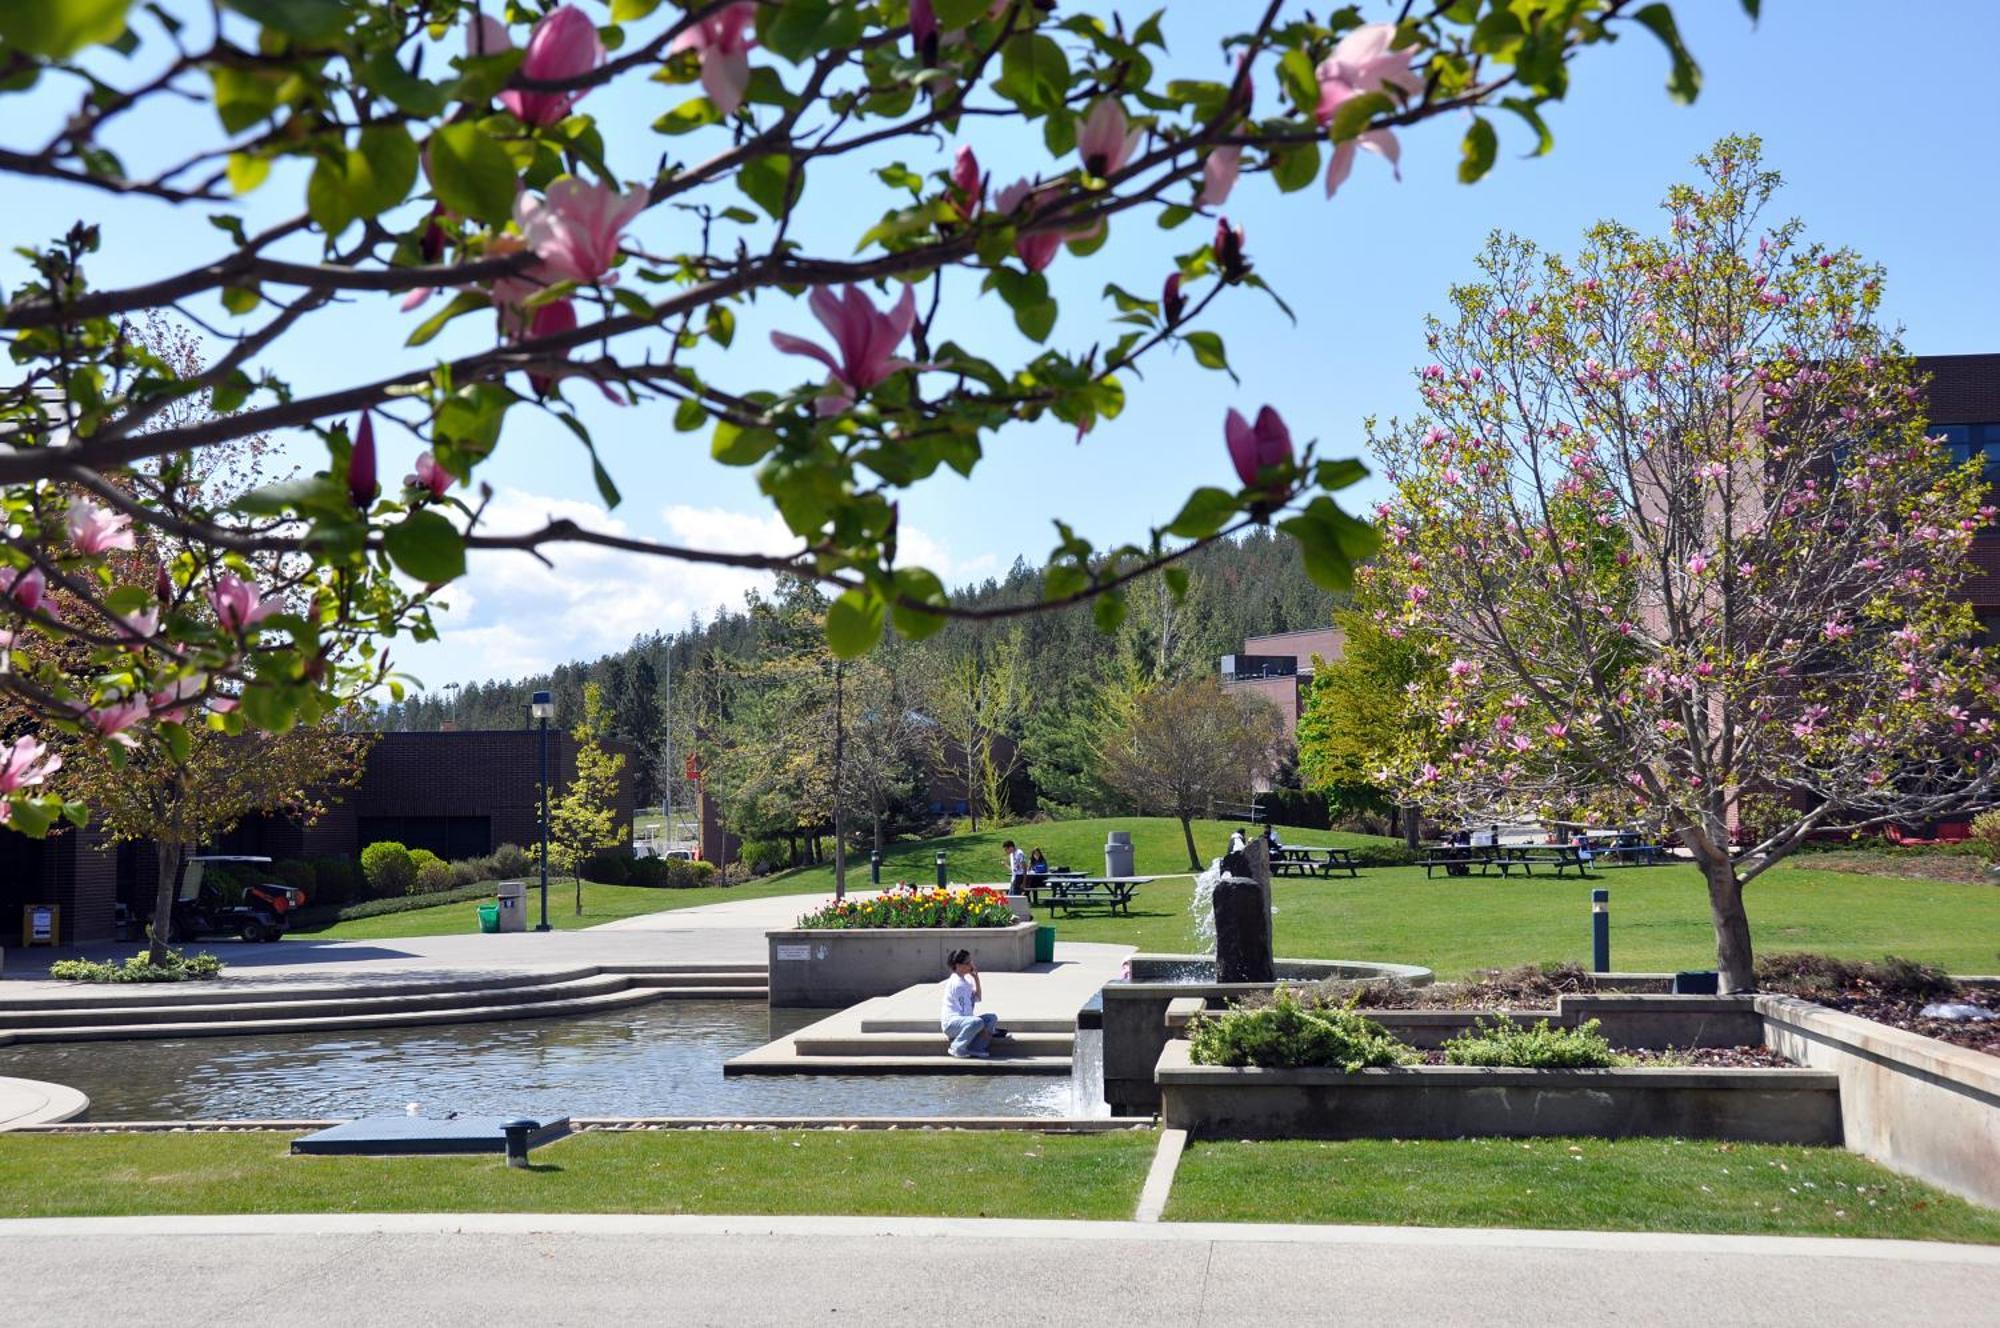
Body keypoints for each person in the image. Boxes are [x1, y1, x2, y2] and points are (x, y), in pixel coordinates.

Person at [940, 949, 1005, 1058]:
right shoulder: (957, 984)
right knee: (978, 1022)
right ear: (958, 965)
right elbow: (966, 1014)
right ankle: (956, 1047)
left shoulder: (966, 981)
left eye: (971, 961)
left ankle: (975, 1048)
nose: (971, 965)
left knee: (991, 1018)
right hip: (951, 1025)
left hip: (964, 1021)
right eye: (967, 963)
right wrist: (982, 1030)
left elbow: (978, 998)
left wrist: (976, 978)